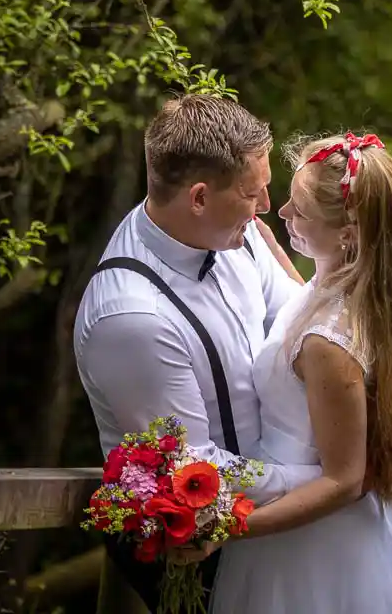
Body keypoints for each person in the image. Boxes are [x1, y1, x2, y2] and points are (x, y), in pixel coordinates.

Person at [73, 94, 320, 612]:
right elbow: (196, 468)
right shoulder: (132, 317)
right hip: (200, 555)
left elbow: (299, 325)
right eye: (254, 194)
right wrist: (322, 483)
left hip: (271, 526)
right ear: (200, 198)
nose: (266, 208)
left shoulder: (238, 232)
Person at [201, 131, 392, 613]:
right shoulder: (340, 289)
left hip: (310, 547)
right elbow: (303, 301)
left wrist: (228, 527)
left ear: (347, 233)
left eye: (299, 210)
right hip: (295, 524)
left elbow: (344, 480)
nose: (282, 214)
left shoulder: (328, 344)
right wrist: (265, 242)